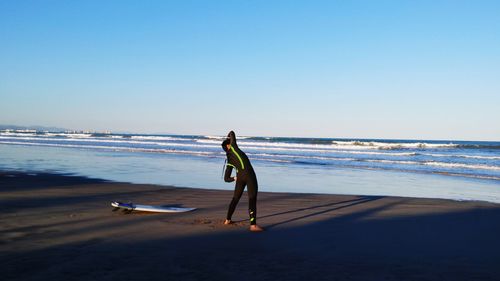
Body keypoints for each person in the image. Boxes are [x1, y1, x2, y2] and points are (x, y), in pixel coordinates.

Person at [221, 130, 264, 232]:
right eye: (230, 142)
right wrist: (228, 137)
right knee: (252, 199)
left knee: (235, 199)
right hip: (249, 176)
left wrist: (234, 178)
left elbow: (226, 179)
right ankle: (253, 225)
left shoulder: (229, 160)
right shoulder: (234, 148)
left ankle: (227, 220)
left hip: (239, 178)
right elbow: (232, 132)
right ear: (228, 145)